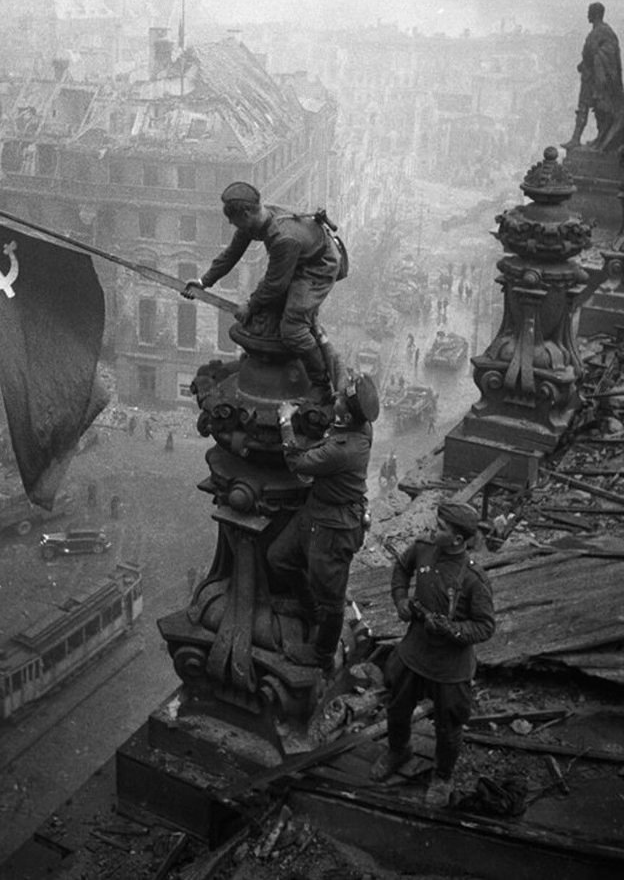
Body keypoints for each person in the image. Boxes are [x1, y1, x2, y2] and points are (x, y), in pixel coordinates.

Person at [370, 502, 495, 808]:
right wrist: (400, 600)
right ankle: (399, 750)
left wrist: (452, 630)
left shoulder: (473, 580)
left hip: (450, 667)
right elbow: (401, 568)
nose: (431, 529)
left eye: (440, 528)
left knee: (448, 726)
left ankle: (442, 776)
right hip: (413, 652)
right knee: (397, 708)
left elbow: (485, 626)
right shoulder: (423, 548)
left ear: (458, 539)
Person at [181, 182, 342, 395]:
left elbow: (276, 284)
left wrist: (250, 305)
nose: (231, 224)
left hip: (317, 267)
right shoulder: (257, 221)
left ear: (247, 213)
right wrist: (203, 282)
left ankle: (320, 383)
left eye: (233, 220)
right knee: (273, 311)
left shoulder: (283, 238)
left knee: (293, 328)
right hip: (298, 258)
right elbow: (231, 254)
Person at [266, 373, 379, 672]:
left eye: (340, 400)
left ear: (344, 414)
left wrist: (285, 420)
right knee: (279, 557)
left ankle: (322, 654)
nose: (336, 400)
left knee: (332, 600)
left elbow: (297, 463)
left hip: (334, 528)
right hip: (317, 512)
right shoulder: (360, 426)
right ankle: (309, 608)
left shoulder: (342, 449)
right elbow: (342, 389)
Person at [563, 2, 624, 151]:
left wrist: (590, 64)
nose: (587, 15)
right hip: (593, 77)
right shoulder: (601, 31)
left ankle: (588, 139)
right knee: (590, 108)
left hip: (596, 79)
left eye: (589, 11)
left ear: (596, 14)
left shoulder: (602, 32)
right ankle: (584, 139)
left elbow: (601, 54)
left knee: (593, 108)